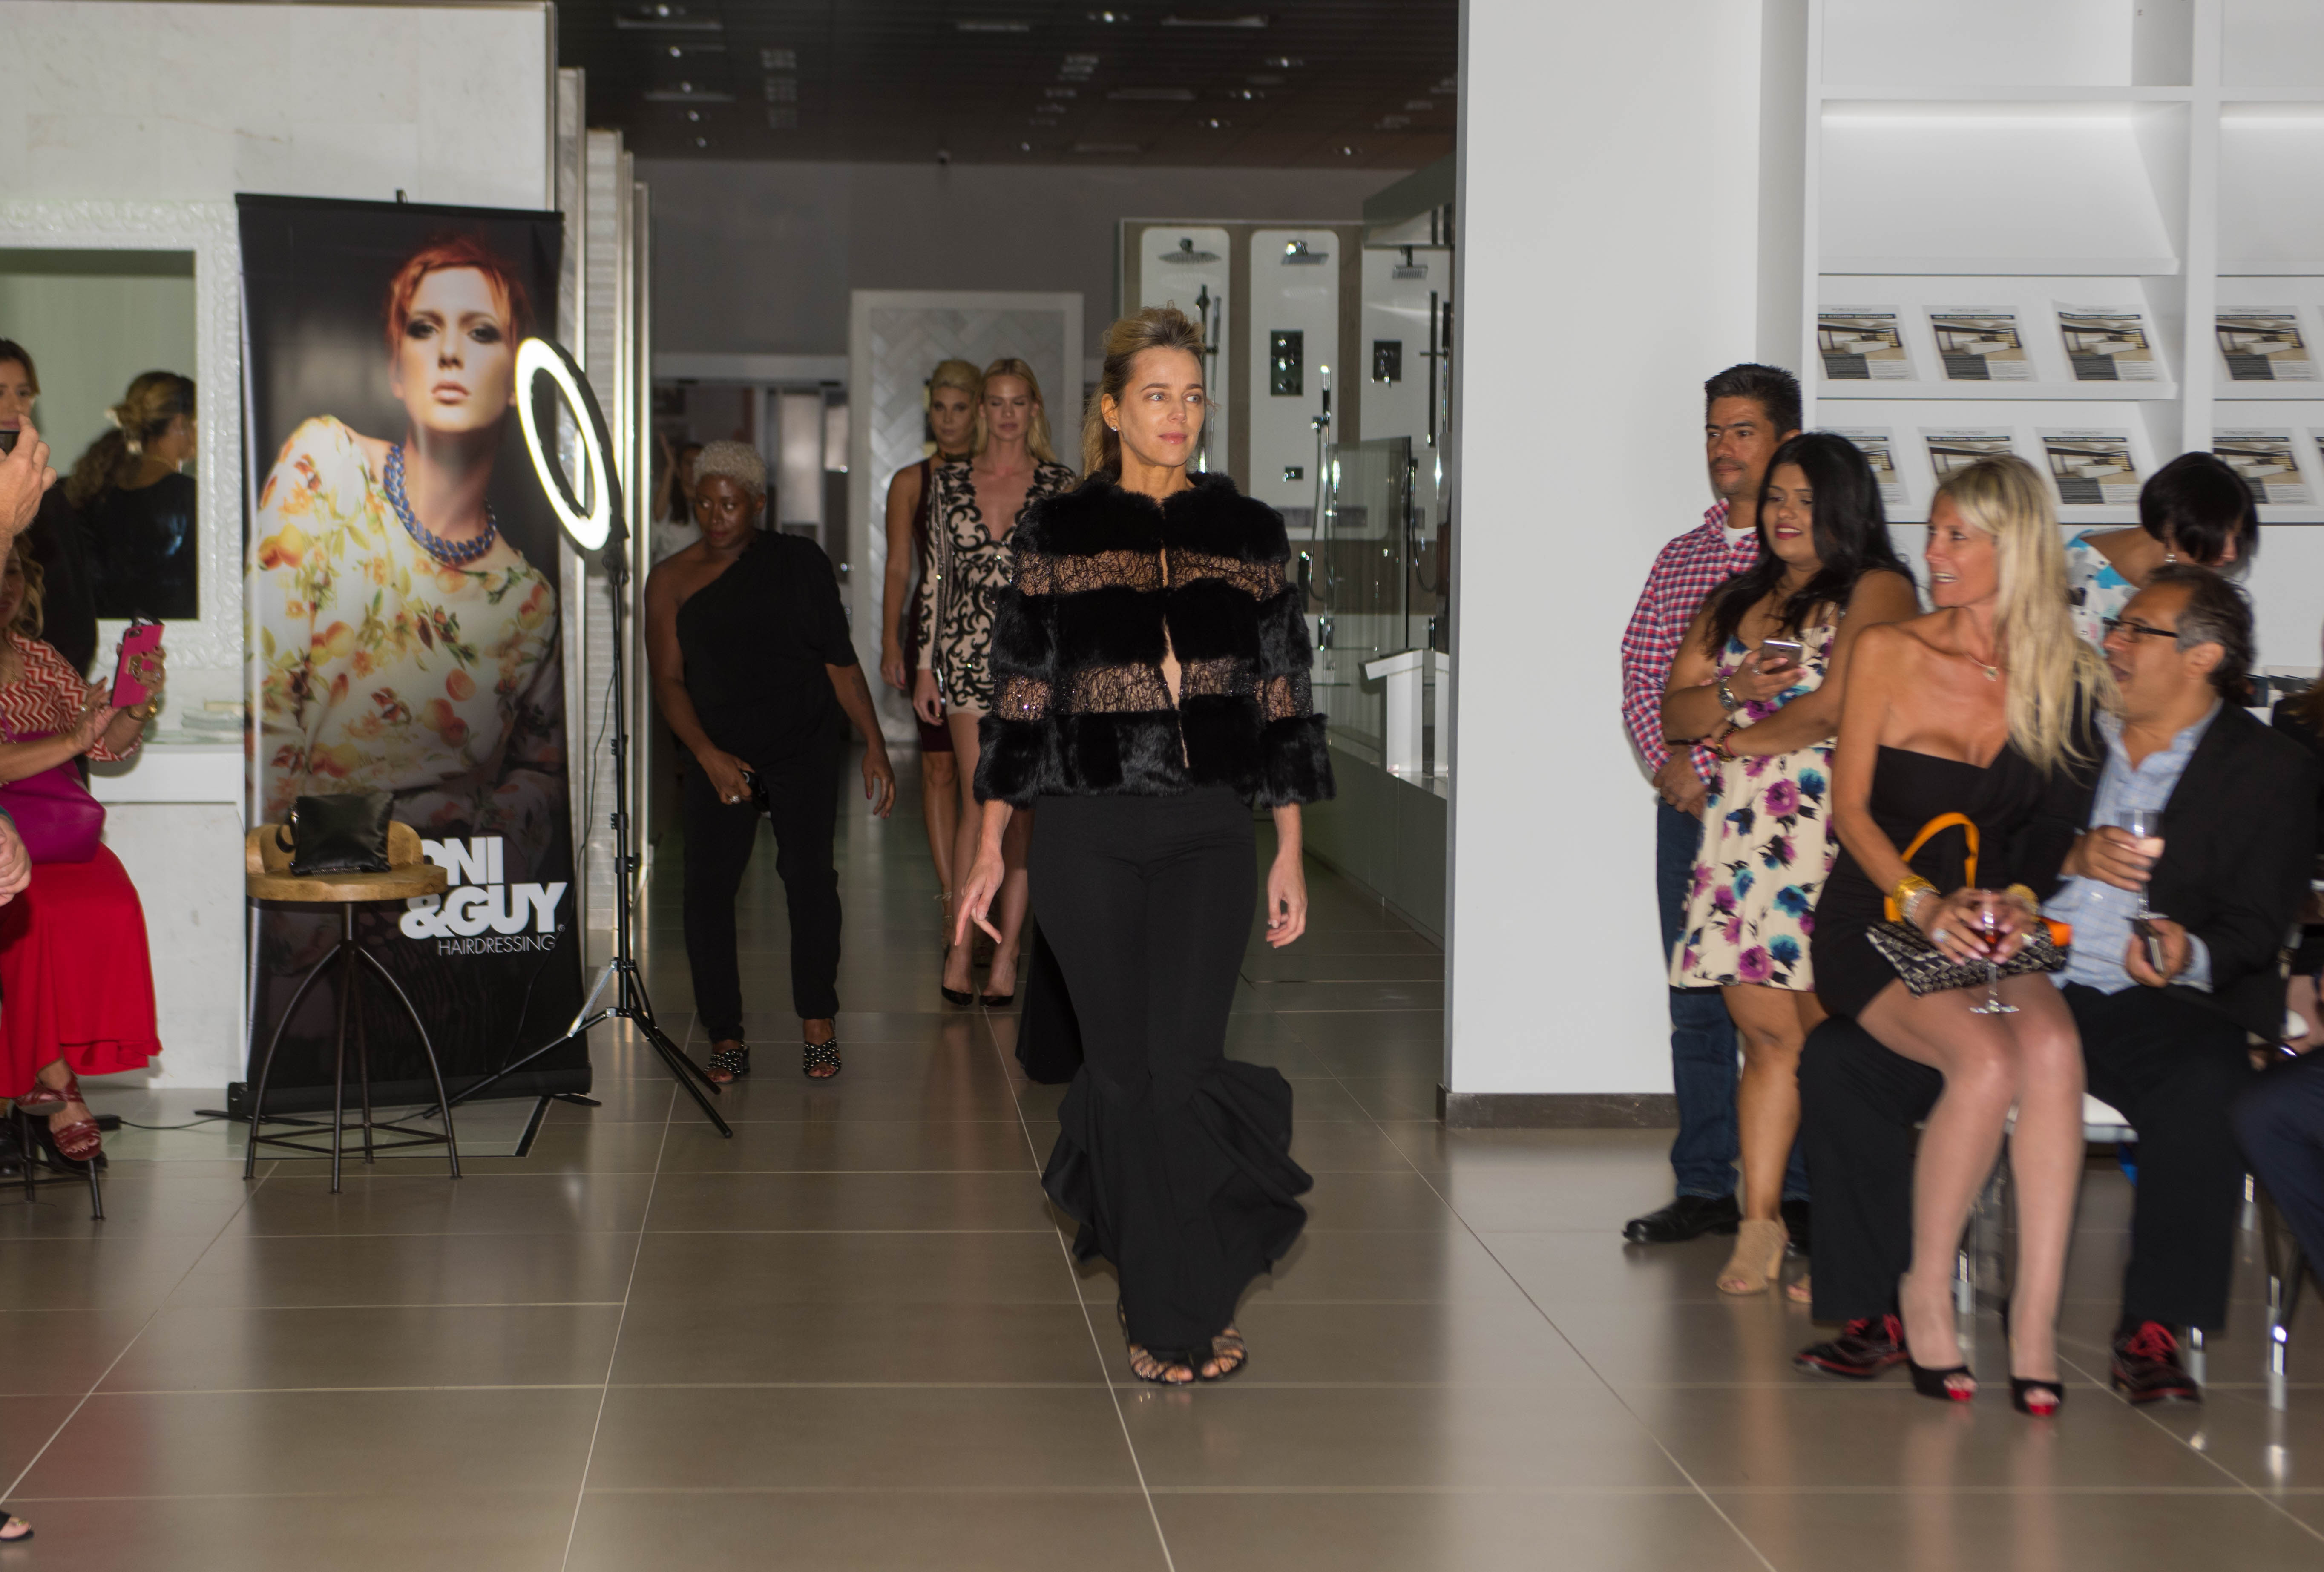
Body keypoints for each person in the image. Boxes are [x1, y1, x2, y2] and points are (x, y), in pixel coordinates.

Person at [1803, 565, 2313, 1410]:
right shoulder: (2063, 729)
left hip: (2154, 998)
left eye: (2137, 631)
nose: (2112, 643)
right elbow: (1995, 844)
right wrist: (2067, 858)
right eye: (2115, 626)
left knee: (2209, 1082)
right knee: (1840, 1057)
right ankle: (1879, 1309)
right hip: (2016, 971)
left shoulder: (2270, 770)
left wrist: (2185, 951)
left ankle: (2152, 1328)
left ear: (2202, 658)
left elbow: (2257, 927)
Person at [956, 305, 1330, 1385]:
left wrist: (1289, 846)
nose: (1178, 414)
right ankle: (1167, 1308)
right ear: (1113, 411)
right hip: (1088, 830)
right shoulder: (1059, 533)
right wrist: (990, 846)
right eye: (1156, 395)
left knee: (1183, 1070)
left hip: (1209, 829)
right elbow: (1020, 697)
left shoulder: (1248, 533)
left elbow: (1282, 696)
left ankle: (1182, 1298)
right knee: (1122, 1076)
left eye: (1192, 395)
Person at [1797, 454, 2106, 1414]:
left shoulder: (2067, 673)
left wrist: (2017, 898)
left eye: (1956, 536)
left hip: (1988, 921)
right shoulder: (1888, 650)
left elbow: (2054, 827)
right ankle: (1924, 1292)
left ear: (2013, 549)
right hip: (1879, 915)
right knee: (1985, 1059)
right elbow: (1850, 812)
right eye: (1932, 532)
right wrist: (1923, 904)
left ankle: (2033, 1322)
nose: (1932, 553)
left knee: (2053, 1050)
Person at [1663, 432, 1918, 1296]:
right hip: (1745, 840)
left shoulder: (1878, 588)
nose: (1784, 513)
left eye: (1806, 500)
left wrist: (1733, 737)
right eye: (1776, 496)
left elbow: (1838, 706)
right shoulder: (1737, 597)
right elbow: (1677, 710)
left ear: (1846, 507)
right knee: (1767, 1039)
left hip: (1832, 833)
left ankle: (1852, 1233)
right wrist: (1734, 695)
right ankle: (1760, 1224)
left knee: (1834, 1042)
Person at [250, 233, 565, 874]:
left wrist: (483, 861)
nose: (449, 352)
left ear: (517, 379)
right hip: (312, 885)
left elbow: (542, 771)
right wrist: (291, 887)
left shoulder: (530, 602)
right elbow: (267, 701)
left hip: (446, 900)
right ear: (396, 368)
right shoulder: (325, 468)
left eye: (481, 333)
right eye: (425, 328)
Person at [1619, 362, 1803, 1247]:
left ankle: (1798, 1192)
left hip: (1786, 819)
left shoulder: (1807, 562)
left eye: (1742, 431)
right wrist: (1676, 770)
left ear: (1786, 442)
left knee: (1790, 998)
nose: (1723, 448)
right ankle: (1703, 1184)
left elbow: (1816, 697)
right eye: (1713, 432)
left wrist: (1711, 755)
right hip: (1690, 815)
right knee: (1695, 1002)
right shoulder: (1681, 559)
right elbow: (1642, 678)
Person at [646, 441, 897, 1082]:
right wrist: (706, 755)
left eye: (730, 504)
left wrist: (874, 742)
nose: (716, 516)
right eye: (705, 503)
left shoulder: (799, 563)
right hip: (719, 750)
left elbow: (839, 661)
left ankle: (818, 1021)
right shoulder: (670, 579)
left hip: (802, 742)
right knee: (706, 890)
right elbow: (668, 681)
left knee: (809, 879)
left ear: (759, 503)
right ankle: (725, 1034)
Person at [915, 357, 1076, 1007]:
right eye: (997, 401)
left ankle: (1007, 953)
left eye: (1018, 401)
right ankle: (962, 945)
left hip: (1036, 659)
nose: (1007, 413)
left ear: (1034, 409)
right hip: (963, 653)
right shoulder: (949, 481)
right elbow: (935, 577)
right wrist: (924, 664)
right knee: (979, 797)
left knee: (1021, 812)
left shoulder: (1061, 486)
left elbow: (1070, 584)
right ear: (983, 410)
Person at [0, 541, 165, 1166]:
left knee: (112, 903)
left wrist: (134, 704)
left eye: (15, 571)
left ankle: (42, 1080)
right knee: (30, 913)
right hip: (6, 836)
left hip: (56, 830)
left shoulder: (41, 658)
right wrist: (72, 737)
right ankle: (58, 1085)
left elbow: (106, 746)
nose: (7, 585)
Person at [880, 359, 981, 939]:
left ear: (978, 410)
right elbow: (899, 564)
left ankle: (986, 892)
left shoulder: (1002, 472)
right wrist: (889, 639)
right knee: (940, 767)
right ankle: (952, 901)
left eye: (959, 408)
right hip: (932, 633)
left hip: (991, 634)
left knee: (985, 774)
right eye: (938, 408)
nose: (947, 419)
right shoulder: (910, 481)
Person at [2063, 451, 2256, 646]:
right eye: (2221, 537)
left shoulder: (2194, 576)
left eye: (2237, 537)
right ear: (2170, 527)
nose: (2231, 554)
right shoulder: (2079, 580)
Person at [67, 369, 198, 621]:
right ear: (179, 423)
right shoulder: (188, 496)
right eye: (196, 422)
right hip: (174, 638)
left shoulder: (100, 490)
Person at [0, 342, 96, 673]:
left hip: (44, 680)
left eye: (24, 392)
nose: (15, 405)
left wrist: (55, 686)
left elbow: (73, 612)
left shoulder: (47, 496)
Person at [651, 435, 705, 563]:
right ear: (679, 468)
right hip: (668, 571)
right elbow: (658, 514)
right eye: (689, 463)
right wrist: (670, 466)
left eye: (698, 464)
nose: (693, 469)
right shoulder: (667, 501)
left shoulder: (709, 506)